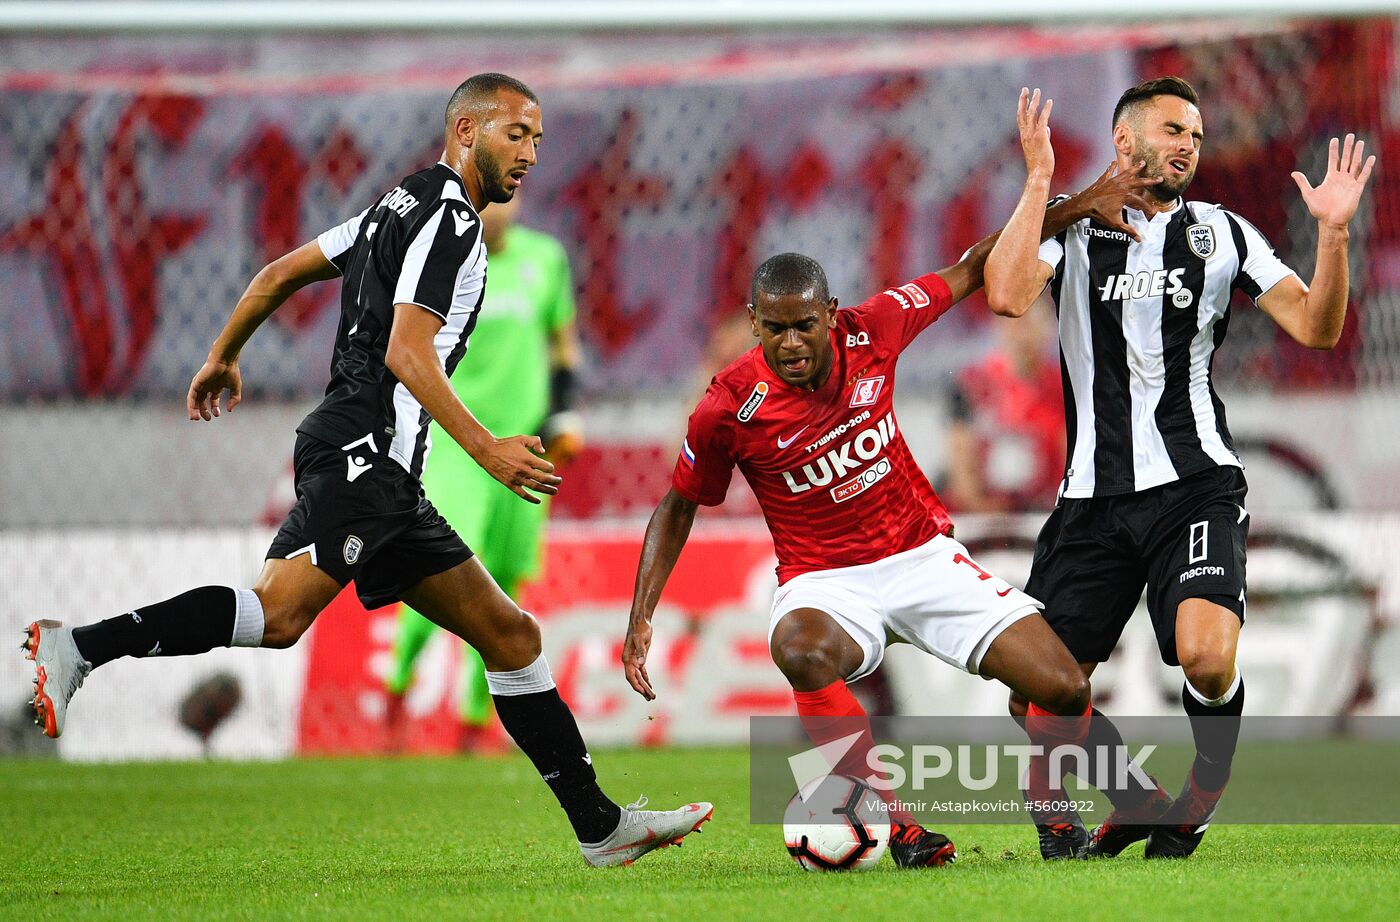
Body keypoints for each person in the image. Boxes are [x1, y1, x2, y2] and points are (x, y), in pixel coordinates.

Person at [22, 73, 710, 868]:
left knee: (511, 635)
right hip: (367, 454)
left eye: (538, 140)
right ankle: (76, 647)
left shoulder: (396, 206)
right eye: (515, 134)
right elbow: (405, 352)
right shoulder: (450, 219)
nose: (530, 154)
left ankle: (599, 827)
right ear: (465, 130)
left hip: (371, 461)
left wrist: (223, 356)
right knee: (280, 618)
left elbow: (276, 274)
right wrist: (487, 449)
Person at [622, 156, 1159, 868]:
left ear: (832, 314)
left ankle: (1058, 821)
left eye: (804, 326)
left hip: (923, 558)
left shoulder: (874, 328)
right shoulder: (728, 408)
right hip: (827, 581)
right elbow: (677, 505)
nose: (789, 344)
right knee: (801, 650)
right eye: (773, 328)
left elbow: (972, 265)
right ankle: (900, 830)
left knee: (1061, 684)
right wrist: (641, 615)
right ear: (753, 323)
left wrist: (1073, 204)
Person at [984, 80, 1374, 859]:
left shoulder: (1223, 233)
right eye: (1172, 129)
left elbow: (1316, 327)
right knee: (1038, 688)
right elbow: (1003, 292)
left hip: (1194, 486)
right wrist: (1040, 187)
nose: (1189, 143)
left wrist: (1331, 238)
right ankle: (1124, 800)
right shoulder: (1074, 223)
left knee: (1205, 654)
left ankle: (1200, 795)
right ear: (1125, 141)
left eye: (1195, 132)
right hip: (1092, 496)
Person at [383, 195, 582, 752]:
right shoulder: (442, 263)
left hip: (527, 447)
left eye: (514, 197)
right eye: (490, 201)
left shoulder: (546, 259)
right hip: (457, 445)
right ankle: (396, 691)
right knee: (445, 567)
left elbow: (563, 344)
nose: (501, 210)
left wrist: (565, 410)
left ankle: (475, 723)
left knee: (504, 581)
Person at [943, 297, 1065, 514]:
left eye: (1027, 324)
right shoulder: (974, 383)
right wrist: (981, 505)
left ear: (1046, 330)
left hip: (1042, 509)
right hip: (983, 511)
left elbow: (1068, 456)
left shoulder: (1063, 388)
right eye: (1013, 324)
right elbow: (960, 455)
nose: (1020, 335)